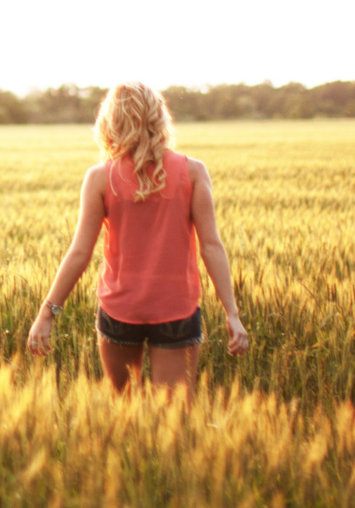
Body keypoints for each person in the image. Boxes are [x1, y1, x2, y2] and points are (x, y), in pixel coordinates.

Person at [25, 81, 250, 393]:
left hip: (120, 310)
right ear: (160, 119)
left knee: (124, 412)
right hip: (177, 309)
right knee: (172, 423)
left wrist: (46, 313)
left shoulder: (100, 177)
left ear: (110, 122)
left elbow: (79, 252)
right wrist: (232, 315)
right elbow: (211, 246)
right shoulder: (194, 171)